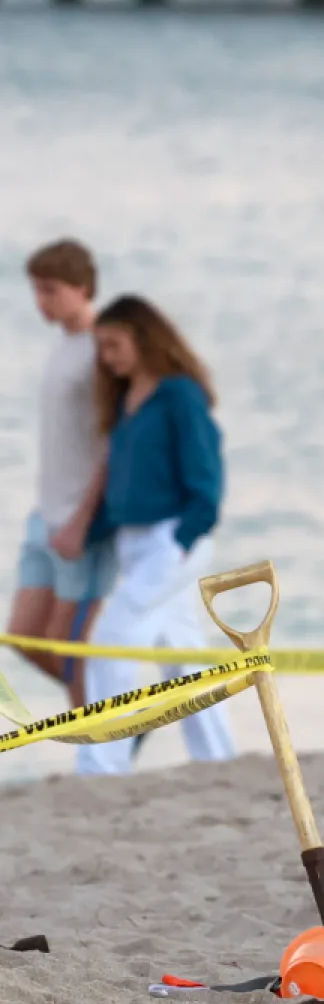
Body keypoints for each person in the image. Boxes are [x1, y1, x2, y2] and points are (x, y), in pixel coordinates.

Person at [70, 295, 236, 776]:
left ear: (144, 339)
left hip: (172, 538)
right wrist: (88, 531)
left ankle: (102, 763)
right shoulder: (126, 403)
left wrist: (183, 539)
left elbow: (206, 477)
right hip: (133, 542)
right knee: (182, 655)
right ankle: (219, 760)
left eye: (115, 344)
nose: (108, 356)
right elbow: (127, 483)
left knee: (112, 638)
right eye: (101, 347)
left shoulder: (179, 395)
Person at [7, 240, 114, 707]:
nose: (41, 302)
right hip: (45, 513)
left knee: (70, 647)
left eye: (50, 291)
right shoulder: (61, 344)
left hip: (81, 521)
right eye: (36, 291)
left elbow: (115, 444)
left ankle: (104, 741)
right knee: (24, 636)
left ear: (82, 288)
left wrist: (82, 520)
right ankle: (118, 716)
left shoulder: (100, 351)